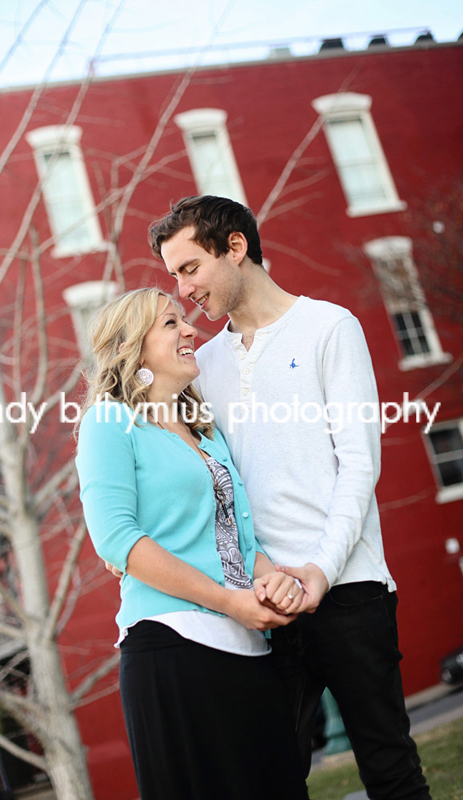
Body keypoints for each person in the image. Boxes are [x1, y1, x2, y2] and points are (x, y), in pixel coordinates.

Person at [149, 196, 432, 800]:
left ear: (235, 247)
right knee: (274, 781)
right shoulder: (200, 366)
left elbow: (359, 465)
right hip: (264, 603)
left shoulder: (330, 328)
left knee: (390, 769)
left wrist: (321, 570)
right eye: (173, 275)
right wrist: (263, 580)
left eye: (189, 267)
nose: (181, 288)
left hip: (349, 586)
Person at [75, 287, 309, 800]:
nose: (190, 331)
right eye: (170, 324)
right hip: (175, 651)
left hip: (250, 647)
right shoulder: (110, 423)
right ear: (133, 349)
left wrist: (273, 580)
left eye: (184, 320)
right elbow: (117, 538)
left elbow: (242, 537)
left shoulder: (205, 433)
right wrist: (229, 601)